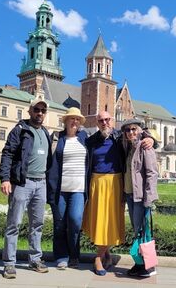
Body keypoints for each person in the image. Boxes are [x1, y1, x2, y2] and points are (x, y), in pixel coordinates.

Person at [82, 111, 155, 276]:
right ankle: (104, 255)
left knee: (111, 220)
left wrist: (152, 139)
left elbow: (139, 135)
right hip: (97, 182)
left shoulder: (119, 136)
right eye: (101, 120)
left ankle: (100, 257)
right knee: (99, 220)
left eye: (107, 119)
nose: (104, 123)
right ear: (96, 122)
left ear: (112, 121)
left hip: (116, 183)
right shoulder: (91, 140)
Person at [0, 98, 52, 279]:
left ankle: (35, 259)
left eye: (43, 111)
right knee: (14, 224)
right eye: (36, 110)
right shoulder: (20, 130)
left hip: (41, 183)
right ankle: (9, 264)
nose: (40, 113)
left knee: (37, 224)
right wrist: (5, 178)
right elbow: (8, 153)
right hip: (22, 183)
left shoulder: (45, 132)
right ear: (29, 111)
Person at [47, 107, 88, 270]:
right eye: (71, 118)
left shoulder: (85, 138)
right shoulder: (57, 138)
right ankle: (62, 257)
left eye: (77, 119)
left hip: (78, 189)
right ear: (65, 121)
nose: (74, 121)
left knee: (75, 220)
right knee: (59, 224)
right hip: (59, 189)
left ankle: (74, 254)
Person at [121, 118, 159, 277]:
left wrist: (149, 197)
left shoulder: (145, 146)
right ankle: (140, 263)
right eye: (128, 130)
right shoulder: (129, 147)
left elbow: (152, 173)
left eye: (134, 129)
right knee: (138, 230)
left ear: (140, 130)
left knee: (143, 230)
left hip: (141, 197)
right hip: (131, 195)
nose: (131, 132)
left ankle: (148, 267)